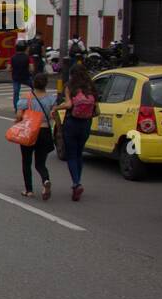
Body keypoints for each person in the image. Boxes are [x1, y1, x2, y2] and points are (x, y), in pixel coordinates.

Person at [55, 62, 97, 201]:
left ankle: (76, 183)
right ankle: (78, 180)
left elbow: (68, 104)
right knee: (79, 153)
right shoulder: (91, 87)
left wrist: (56, 108)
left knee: (71, 155)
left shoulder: (70, 86)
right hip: (86, 123)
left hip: (72, 123)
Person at [16, 72, 58, 200]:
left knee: (26, 161)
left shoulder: (26, 97)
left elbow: (19, 115)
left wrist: (19, 119)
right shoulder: (51, 99)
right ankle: (45, 180)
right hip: (44, 131)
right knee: (40, 163)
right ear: (46, 84)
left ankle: (29, 190)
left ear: (33, 83)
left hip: (29, 131)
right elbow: (53, 115)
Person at [10, 41, 31, 110]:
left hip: (16, 77)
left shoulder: (13, 57)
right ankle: (35, 103)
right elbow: (32, 68)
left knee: (16, 93)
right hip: (26, 77)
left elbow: (8, 68)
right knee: (35, 88)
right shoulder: (27, 57)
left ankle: (16, 108)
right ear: (25, 48)